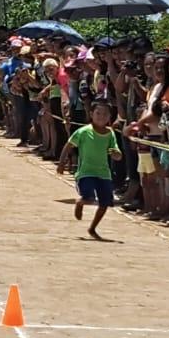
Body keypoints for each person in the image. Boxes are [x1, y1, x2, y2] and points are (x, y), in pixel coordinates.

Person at [60, 100, 124, 239]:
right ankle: (80, 202)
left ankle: (93, 228)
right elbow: (69, 145)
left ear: (109, 117)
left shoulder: (110, 134)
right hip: (86, 172)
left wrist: (116, 154)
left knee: (105, 203)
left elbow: (117, 154)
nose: (101, 116)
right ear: (91, 114)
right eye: (98, 113)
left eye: (105, 114)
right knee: (88, 197)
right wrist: (61, 163)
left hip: (104, 173)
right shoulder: (83, 132)